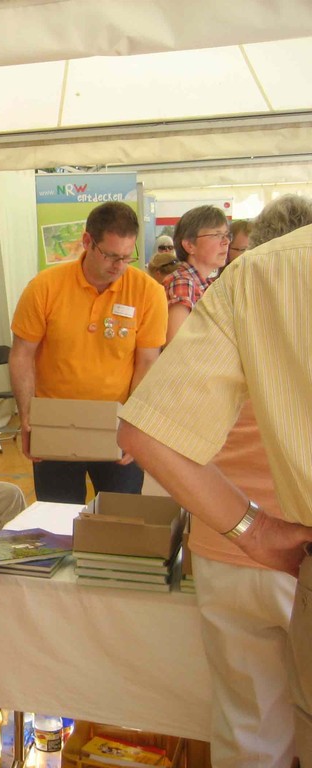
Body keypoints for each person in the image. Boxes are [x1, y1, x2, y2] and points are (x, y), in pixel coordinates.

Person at [118, 195, 312, 768]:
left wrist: (254, 530)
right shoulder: (222, 288)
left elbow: (151, 431)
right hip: (280, 544)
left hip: (234, 539)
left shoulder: (249, 286)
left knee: (249, 726)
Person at [9, 201, 167, 503]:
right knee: (57, 517)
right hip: (55, 422)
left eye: (127, 257)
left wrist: (137, 425)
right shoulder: (45, 287)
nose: (119, 265)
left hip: (116, 424)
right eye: (111, 255)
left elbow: (148, 362)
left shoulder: (148, 292)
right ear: (87, 242)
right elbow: (22, 355)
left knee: (120, 516)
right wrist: (27, 416)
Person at [164, 205, 230, 343]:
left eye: (226, 235)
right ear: (189, 245)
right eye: (216, 235)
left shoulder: (204, 283)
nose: (226, 242)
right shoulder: (183, 282)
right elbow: (176, 346)